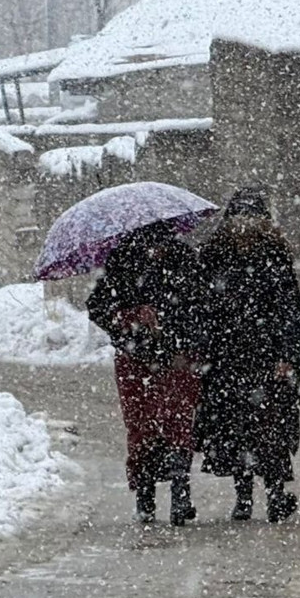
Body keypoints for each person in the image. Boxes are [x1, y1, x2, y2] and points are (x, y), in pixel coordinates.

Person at [194, 187, 300, 523]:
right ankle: (243, 496)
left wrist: (285, 354)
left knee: (271, 430)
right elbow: (203, 308)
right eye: (239, 220)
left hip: (267, 359)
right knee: (235, 429)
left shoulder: (274, 258)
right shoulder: (214, 258)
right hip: (227, 358)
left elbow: (288, 311)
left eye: (251, 221)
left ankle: (274, 494)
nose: (244, 228)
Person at [87, 220, 204, 526]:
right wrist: (131, 317)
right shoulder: (122, 261)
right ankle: (145, 497)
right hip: (135, 360)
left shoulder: (185, 261)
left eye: (162, 244)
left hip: (178, 358)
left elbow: (201, 307)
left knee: (178, 424)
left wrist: (177, 331)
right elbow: (98, 307)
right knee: (142, 427)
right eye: (152, 245)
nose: (158, 251)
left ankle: (181, 495)